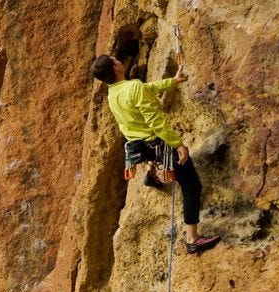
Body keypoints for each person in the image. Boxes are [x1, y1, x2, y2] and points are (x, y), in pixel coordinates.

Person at [91, 54, 220, 255]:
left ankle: (151, 175)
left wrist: (173, 81)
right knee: (192, 185)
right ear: (116, 68)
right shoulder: (133, 87)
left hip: (138, 146)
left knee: (153, 153)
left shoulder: (113, 93)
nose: (119, 60)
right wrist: (179, 145)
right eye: (116, 60)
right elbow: (156, 122)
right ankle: (192, 239)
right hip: (157, 144)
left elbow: (147, 89)